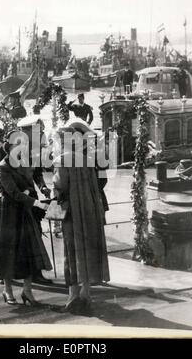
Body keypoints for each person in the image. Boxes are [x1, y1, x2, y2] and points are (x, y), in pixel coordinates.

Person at [0, 131, 52, 306]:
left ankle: (27, 291)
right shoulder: (3, 167)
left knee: (29, 251)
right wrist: (36, 202)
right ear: (9, 147)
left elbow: (35, 175)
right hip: (7, 213)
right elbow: (13, 193)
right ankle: (8, 290)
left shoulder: (25, 160)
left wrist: (41, 188)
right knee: (7, 254)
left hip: (25, 210)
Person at [52, 122, 110, 313]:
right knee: (87, 250)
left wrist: (55, 194)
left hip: (74, 211)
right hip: (90, 209)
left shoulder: (62, 159)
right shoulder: (88, 158)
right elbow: (101, 181)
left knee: (72, 251)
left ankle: (72, 297)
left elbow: (60, 185)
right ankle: (86, 295)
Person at [17, 115, 53, 285]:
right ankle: (5, 273)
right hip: (17, 199)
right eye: (38, 131)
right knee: (15, 237)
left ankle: (36, 272)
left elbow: (37, 173)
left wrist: (43, 186)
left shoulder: (35, 150)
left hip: (31, 196)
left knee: (36, 232)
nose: (41, 134)